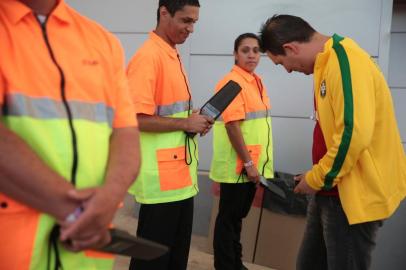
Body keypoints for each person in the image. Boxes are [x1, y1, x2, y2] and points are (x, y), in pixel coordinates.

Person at [0, 0, 141, 269]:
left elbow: (126, 132)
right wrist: (77, 212)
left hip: (87, 253)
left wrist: (111, 195)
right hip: (14, 251)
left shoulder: (101, 40)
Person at [260, 14, 406, 270]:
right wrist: (315, 176)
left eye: (282, 63)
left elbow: (352, 134)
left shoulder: (344, 60)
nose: (287, 70)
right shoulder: (326, 64)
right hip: (331, 190)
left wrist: (317, 178)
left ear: (290, 48)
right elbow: (335, 132)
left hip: (349, 198)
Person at [126, 0, 213, 269]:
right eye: (186, 21)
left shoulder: (170, 54)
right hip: (160, 183)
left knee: (175, 259)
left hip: (179, 178)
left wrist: (194, 120)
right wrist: (186, 124)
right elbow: (135, 119)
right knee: (152, 261)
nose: (191, 29)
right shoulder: (149, 57)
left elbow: (171, 113)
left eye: (194, 22)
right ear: (164, 13)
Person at [210, 33, 274, 270]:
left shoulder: (255, 81)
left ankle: (235, 263)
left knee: (235, 219)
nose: (251, 55)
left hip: (250, 166)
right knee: (228, 220)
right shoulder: (233, 83)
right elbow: (232, 125)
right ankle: (226, 266)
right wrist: (248, 164)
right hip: (239, 166)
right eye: (245, 50)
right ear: (235, 54)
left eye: (256, 50)